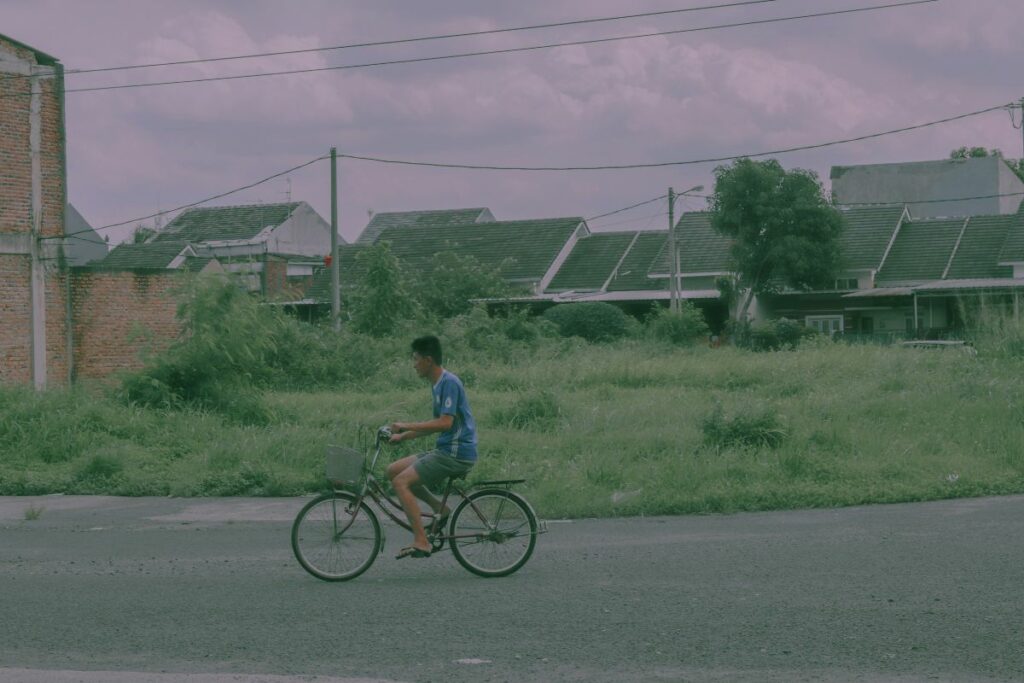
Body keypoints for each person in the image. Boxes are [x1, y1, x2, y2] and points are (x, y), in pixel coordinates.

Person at [386, 335, 477, 559]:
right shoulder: (438, 385)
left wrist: (405, 424)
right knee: (393, 471)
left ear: (428, 360)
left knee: (401, 482)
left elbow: (445, 423)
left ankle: (422, 541)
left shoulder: (450, 383)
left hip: (455, 453)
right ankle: (440, 508)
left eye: (416, 359)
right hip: (445, 449)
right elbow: (436, 426)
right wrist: (403, 437)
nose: (413, 364)